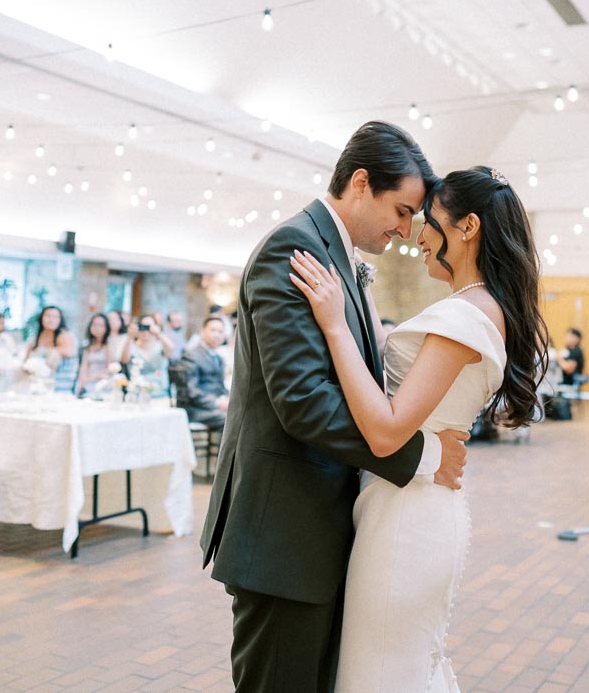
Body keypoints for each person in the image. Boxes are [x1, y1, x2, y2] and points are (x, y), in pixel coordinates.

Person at [200, 121, 470, 693]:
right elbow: (302, 400)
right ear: (360, 182)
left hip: (318, 532)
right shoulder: (293, 247)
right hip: (285, 536)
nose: (404, 230)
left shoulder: (337, 254)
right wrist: (418, 455)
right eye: (400, 211)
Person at [288, 164, 546, 691]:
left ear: (467, 227)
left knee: (378, 675)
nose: (415, 235)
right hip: (407, 505)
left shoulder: (466, 316)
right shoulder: (470, 308)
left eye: (427, 220)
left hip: (408, 519)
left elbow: (386, 432)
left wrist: (336, 326)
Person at [181, 316, 231, 430]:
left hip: (214, 408)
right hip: (196, 409)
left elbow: (220, 386)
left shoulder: (218, 357)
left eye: (220, 331)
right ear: (202, 332)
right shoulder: (191, 356)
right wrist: (216, 402)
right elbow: (191, 391)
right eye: (213, 330)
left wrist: (228, 399)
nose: (217, 334)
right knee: (234, 419)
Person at [24, 305, 78, 393]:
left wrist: (53, 352)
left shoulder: (64, 335)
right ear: (42, 318)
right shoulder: (35, 338)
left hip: (59, 385)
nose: (51, 320)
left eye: (55, 317)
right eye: (48, 316)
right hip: (35, 384)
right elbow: (26, 361)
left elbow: (70, 353)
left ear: (60, 320)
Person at [121, 316, 173, 396]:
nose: (146, 331)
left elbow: (171, 350)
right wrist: (129, 337)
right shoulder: (131, 348)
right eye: (142, 327)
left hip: (161, 394)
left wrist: (158, 333)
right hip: (138, 394)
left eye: (149, 327)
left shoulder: (161, 346)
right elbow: (124, 360)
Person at [75, 313, 114, 395]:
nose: (97, 328)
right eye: (95, 324)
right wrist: (82, 381)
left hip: (103, 384)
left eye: (101, 325)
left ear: (106, 328)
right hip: (87, 383)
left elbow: (110, 368)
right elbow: (83, 367)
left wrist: (92, 378)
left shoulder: (109, 345)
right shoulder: (87, 346)